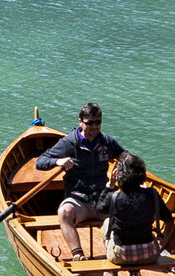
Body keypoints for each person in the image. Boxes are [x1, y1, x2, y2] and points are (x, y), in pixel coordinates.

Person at [34, 104, 127, 261]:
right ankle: (78, 255)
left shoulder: (106, 141)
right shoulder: (68, 143)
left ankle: (121, 255)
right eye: (89, 123)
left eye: (98, 122)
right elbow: (40, 162)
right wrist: (58, 161)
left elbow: (125, 155)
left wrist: (121, 166)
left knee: (126, 209)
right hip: (78, 200)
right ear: (80, 122)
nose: (94, 127)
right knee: (64, 213)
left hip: (102, 199)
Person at [99, 153, 172, 276]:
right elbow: (168, 218)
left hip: (121, 256)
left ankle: (112, 273)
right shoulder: (152, 194)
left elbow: (100, 209)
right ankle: (135, 273)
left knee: (107, 223)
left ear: (118, 175)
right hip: (150, 254)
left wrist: (109, 185)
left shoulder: (113, 197)